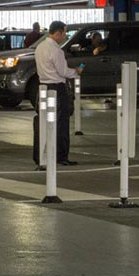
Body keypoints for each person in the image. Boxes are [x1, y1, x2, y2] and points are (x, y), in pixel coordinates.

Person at [34, 20, 82, 166]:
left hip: (43, 88)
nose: (65, 36)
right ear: (57, 33)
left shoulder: (39, 47)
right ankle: (61, 156)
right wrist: (76, 72)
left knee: (43, 122)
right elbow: (63, 71)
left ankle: (40, 155)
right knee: (61, 123)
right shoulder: (57, 50)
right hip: (57, 89)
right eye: (64, 33)